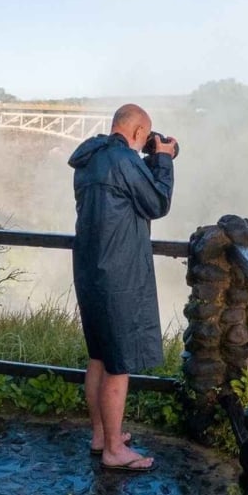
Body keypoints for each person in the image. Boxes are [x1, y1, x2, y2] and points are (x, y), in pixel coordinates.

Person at [68, 103, 177, 472]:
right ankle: (115, 450)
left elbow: (126, 190)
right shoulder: (124, 161)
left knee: (98, 355)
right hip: (118, 276)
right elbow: (157, 202)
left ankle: (101, 436)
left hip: (89, 270)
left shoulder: (91, 159)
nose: (144, 143)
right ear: (135, 132)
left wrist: (149, 158)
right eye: (145, 137)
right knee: (118, 364)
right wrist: (163, 160)